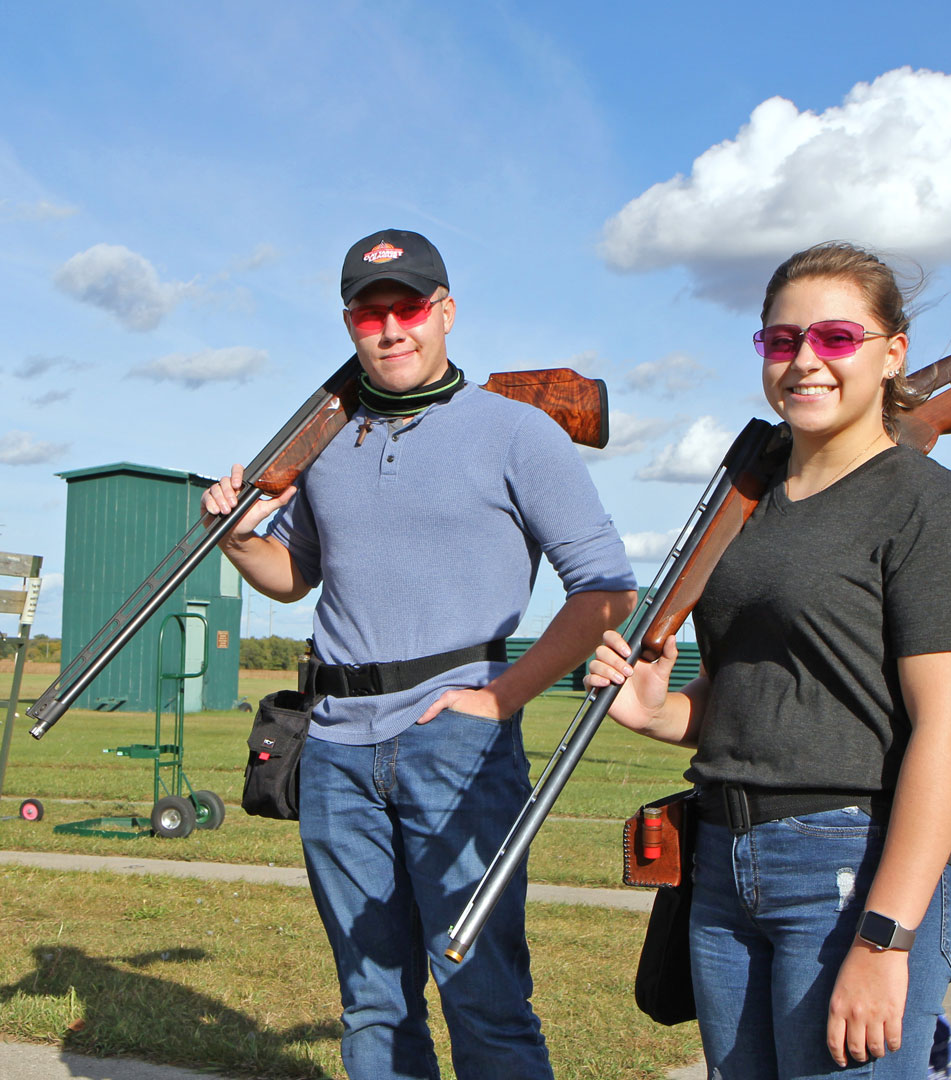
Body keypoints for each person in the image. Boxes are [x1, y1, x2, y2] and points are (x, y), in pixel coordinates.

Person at [202, 228, 637, 1080]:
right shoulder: (325, 442)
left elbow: (605, 590)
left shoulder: (520, 431)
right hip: (332, 743)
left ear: (444, 314)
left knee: (482, 990)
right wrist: (236, 535)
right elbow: (292, 577)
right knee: (370, 1000)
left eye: (408, 307)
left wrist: (504, 697)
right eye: (371, 313)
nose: (391, 327)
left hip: (455, 740)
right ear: (349, 324)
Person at [586, 242, 951, 1079]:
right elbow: (741, 700)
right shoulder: (751, 503)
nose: (805, 361)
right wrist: (654, 708)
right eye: (781, 342)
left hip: (846, 865)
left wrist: (885, 939)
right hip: (722, 861)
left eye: (836, 338)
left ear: (894, 354)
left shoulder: (929, 509)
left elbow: (949, 735)